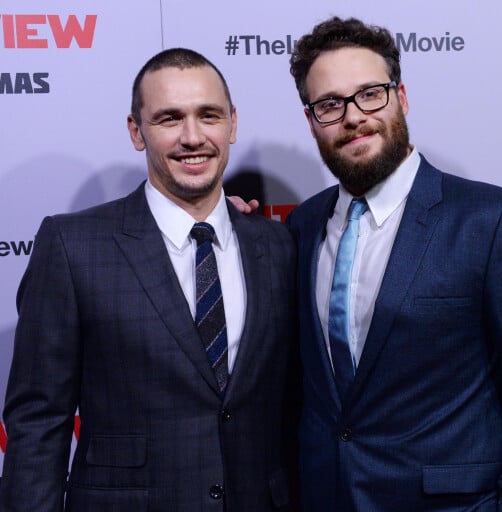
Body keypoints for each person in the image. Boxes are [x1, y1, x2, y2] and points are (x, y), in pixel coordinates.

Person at [283, 16, 502, 511]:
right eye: (330, 104)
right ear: (311, 121)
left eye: (370, 93)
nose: (353, 116)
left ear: (402, 97)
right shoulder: (302, 226)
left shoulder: (492, 221)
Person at [0, 48, 297, 512]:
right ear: (137, 131)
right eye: (169, 119)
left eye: (209, 115)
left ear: (233, 124)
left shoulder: (278, 246)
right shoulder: (73, 246)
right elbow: (38, 422)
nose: (192, 136)